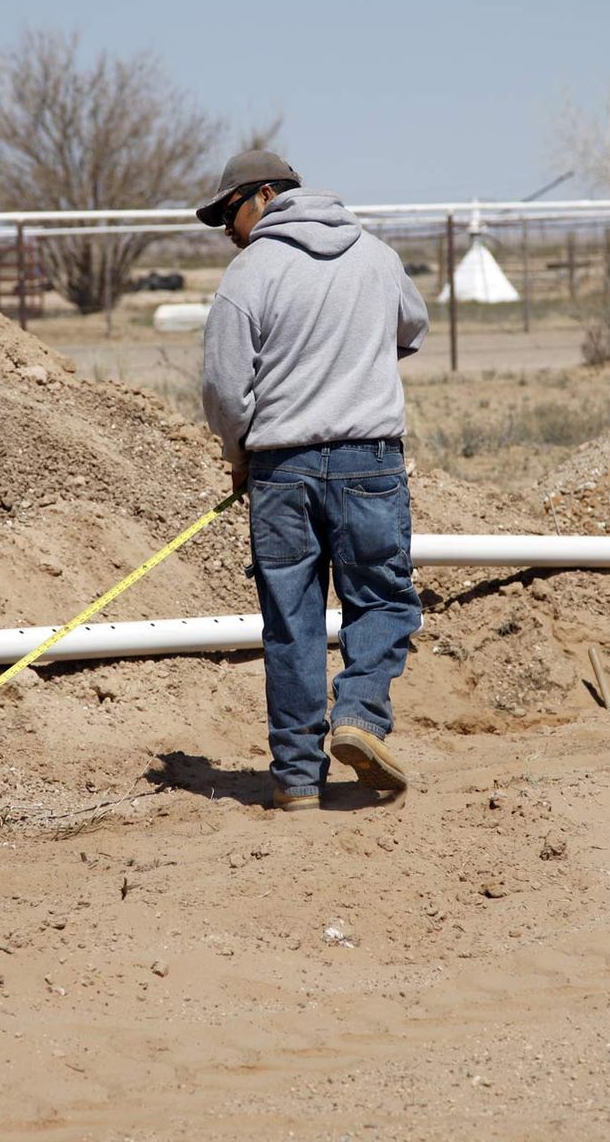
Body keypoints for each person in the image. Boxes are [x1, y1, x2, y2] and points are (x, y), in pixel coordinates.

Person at [195, 150, 430, 811]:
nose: (227, 231)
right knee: (381, 599)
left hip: (280, 471)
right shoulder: (376, 256)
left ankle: (297, 778)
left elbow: (222, 386)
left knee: (292, 620)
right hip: (369, 464)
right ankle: (358, 712)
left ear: (265, 195)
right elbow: (412, 328)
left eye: (229, 213)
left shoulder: (251, 273)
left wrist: (237, 451)